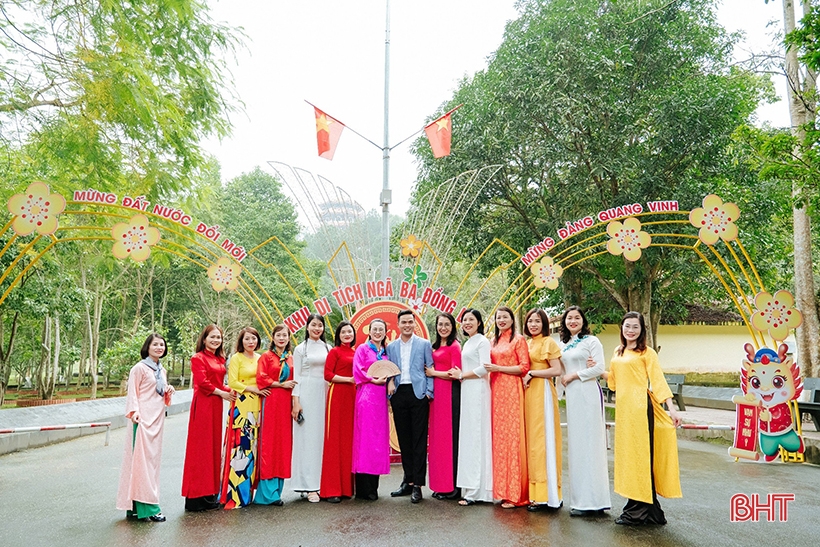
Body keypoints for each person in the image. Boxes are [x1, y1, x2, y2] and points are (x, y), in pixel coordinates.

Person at [609, 311, 682, 526]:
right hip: (625, 412)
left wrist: (672, 409)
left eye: (635, 327)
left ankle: (638, 511)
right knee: (629, 457)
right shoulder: (618, 351)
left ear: (642, 330)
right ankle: (650, 512)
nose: (630, 330)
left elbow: (658, 381)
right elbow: (613, 382)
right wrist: (590, 369)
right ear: (622, 328)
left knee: (641, 457)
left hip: (641, 409)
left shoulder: (647, 353)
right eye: (627, 326)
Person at [116, 333, 175, 522]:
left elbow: (159, 395)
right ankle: (150, 508)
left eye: (162, 345)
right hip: (142, 420)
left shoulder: (161, 370)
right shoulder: (139, 368)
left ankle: (136, 509)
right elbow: (133, 393)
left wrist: (168, 390)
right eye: (155, 344)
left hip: (157, 421)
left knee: (152, 463)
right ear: (147, 347)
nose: (159, 347)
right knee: (141, 463)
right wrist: (134, 412)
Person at [558, 306, 610, 516]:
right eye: (569, 318)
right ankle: (581, 500)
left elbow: (599, 368)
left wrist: (574, 375)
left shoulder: (591, 341)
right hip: (572, 396)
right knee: (577, 445)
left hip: (587, 392)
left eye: (577, 317)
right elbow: (560, 370)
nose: (573, 321)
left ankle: (595, 501)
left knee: (591, 444)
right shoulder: (564, 344)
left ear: (583, 320)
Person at [181, 325, 236, 512]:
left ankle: (210, 494)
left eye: (218, 337)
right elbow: (203, 383)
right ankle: (196, 498)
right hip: (204, 405)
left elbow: (220, 383)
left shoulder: (220, 359)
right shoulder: (198, 358)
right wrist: (222, 393)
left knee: (213, 449)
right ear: (204, 339)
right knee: (200, 450)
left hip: (216, 406)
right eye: (212, 337)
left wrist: (235, 390)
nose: (216, 340)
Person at [387, 309, 434, 503]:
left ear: (415, 324)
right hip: (399, 394)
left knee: (419, 441)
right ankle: (407, 481)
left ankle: (418, 486)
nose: (407, 325)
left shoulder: (424, 344)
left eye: (410, 322)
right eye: (403, 322)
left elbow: (430, 368)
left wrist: (429, 392)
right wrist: (390, 384)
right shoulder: (391, 347)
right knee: (404, 440)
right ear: (398, 324)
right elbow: (388, 369)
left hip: (418, 394)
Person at [484, 306, 530, 509]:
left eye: (505, 317)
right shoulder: (493, 341)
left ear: (512, 319)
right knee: (500, 441)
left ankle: (516, 494)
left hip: (512, 390)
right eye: (498, 317)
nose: (501, 320)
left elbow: (524, 367)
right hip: (496, 392)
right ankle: (502, 491)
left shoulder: (518, 340)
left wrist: (499, 368)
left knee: (513, 439)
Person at [447, 309, 493, 506]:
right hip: (467, 390)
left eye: (471, 319)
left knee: (477, 436)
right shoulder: (468, 342)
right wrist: (462, 375)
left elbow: (485, 367)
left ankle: (477, 491)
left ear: (479, 322)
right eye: (464, 320)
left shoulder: (482, 341)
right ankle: (470, 488)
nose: (467, 323)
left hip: (478, 390)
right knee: (469, 437)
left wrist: (462, 375)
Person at [221, 326, 269, 509]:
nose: (251, 342)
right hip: (241, 407)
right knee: (239, 448)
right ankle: (234, 496)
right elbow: (232, 382)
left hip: (256, 407)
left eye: (254, 338)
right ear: (241, 341)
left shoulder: (260, 358)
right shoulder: (236, 358)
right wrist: (252, 389)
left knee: (252, 450)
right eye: (247, 338)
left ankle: (247, 494)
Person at [522, 308, 563, 512]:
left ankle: (548, 496)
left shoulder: (548, 342)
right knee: (532, 441)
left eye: (537, 321)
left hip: (543, 392)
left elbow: (557, 370)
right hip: (529, 393)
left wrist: (532, 373)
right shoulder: (527, 343)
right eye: (530, 321)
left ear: (544, 323)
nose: (533, 325)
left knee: (543, 440)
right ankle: (534, 494)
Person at [290, 314, 331, 503]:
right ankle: (308, 486)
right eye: (313, 325)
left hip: (324, 393)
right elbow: (296, 376)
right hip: (306, 394)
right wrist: (296, 402)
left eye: (320, 325)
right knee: (307, 440)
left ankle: (322, 482)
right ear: (307, 327)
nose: (317, 328)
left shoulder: (328, 348)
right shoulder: (300, 349)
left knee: (321, 439)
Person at [255, 324, 297, 506]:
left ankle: (277, 491)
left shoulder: (291, 358)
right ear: (273, 337)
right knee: (269, 443)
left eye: (284, 335)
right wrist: (280, 384)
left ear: (288, 338)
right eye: (278, 335)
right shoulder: (266, 356)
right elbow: (261, 378)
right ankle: (266, 495)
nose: (281, 338)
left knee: (282, 444)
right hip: (271, 401)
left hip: (286, 404)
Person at [352, 319, 391, 500]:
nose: (377, 332)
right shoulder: (362, 349)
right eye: (375, 329)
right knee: (365, 440)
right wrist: (373, 379)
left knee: (378, 442)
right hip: (367, 397)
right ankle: (363, 488)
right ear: (369, 331)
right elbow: (357, 371)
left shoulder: (386, 352)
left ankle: (373, 487)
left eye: (381, 329)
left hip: (381, 400)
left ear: (385, 332)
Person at [426, 313, 462, 500]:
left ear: (452, 326)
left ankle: (452, 488)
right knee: (438, 441)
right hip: (436, 398)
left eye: (447, 324)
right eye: (440, 324)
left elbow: (455, 373)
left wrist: (433, 373)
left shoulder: (454, 346)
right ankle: (440, 484)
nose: (443, 328)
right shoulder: (435, 346)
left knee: (449, 441)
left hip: (449, 395)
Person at [320, 321, 357, 503]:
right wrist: (348, 379)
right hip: (337, 395)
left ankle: (346, 488)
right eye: (343, 332)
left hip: (353, 396)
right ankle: (332, 489)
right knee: (334, 439)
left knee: (349, 441)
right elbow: (327, 375)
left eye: (349, 331)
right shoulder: (334, 352)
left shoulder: (357, 352)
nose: (347, 334)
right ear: (338, 335)